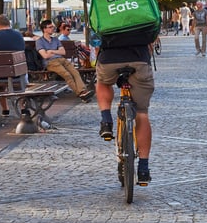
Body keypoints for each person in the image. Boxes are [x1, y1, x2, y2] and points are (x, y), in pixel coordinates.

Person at [95, 29, 155, 185]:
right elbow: (152, 35)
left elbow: (96, 38)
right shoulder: (140, 6)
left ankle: (106, 120)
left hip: (109, 58)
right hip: (139, 59)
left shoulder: (105, 6)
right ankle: (143, 168)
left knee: (102, 83)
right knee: (142, 114)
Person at [36, 19, 94, 102]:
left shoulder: (55, 39)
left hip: (62, 59)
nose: (53, 28)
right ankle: (81, 93)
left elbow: (63, 52)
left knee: (75, 72)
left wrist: (51, 51)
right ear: (44, 29)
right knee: (67, 75)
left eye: (52, 27)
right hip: (51, 63)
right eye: (50, 27)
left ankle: (83, 92)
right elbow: (45, 56)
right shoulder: (40, 41)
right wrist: (56, 51)